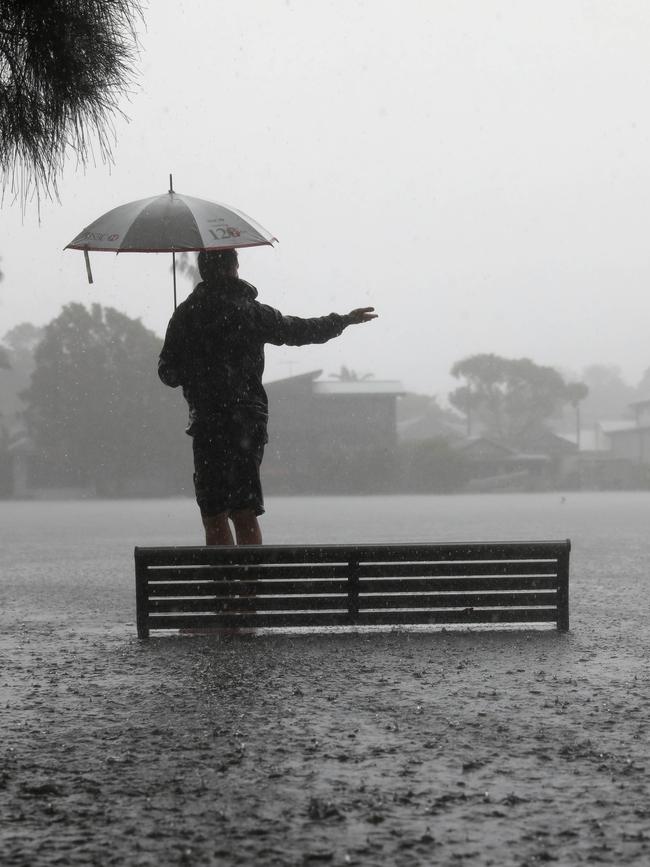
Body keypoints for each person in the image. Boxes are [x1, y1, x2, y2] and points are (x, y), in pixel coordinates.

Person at [158, 248, 377, 545]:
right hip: (246, 423)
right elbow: (299, 331)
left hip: (207, 424)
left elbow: (167, 373)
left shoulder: (186, 315)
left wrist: (191, 367)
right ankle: (249, 589)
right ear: (234, 268)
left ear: (203, 271)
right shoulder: (251, 312)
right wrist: (343, 320)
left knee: (213, 514)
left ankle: (224, 588)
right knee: (245, 512)